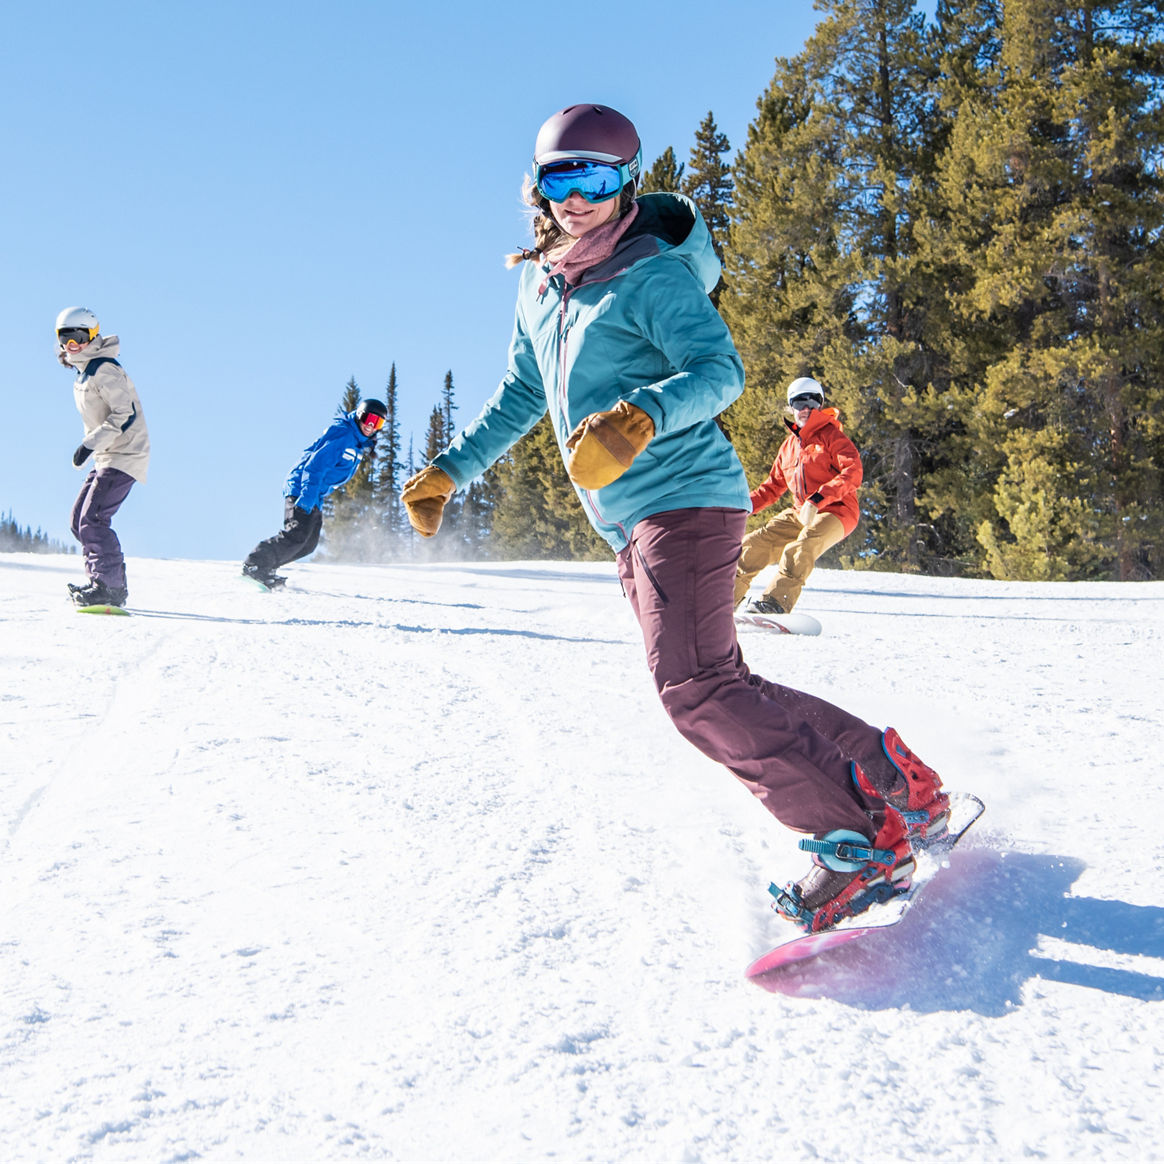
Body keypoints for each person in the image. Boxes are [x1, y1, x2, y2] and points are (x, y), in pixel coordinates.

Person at [400, 103, 949, 933]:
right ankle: (890, 774)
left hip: (683, 496)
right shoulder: (540, 282)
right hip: (631, 524)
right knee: (722, 685)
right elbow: (523, 393)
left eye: (595, 179)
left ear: (625, 183)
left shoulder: (650, 273)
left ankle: (861, 838)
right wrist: (453, 468)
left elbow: (719, 370)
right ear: (537, 186)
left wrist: (641, 417)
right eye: (560, 179)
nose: (576, 198)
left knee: (692, 691)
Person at [734, 376, 862, 615]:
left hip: (838, 511)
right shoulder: (789, 446)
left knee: (803, 545)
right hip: (800, 511)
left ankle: (775, 603)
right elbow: (771, 488)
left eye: (812, 402)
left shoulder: (832, 437)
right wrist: (738, 508)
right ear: (791, 407)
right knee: (753, 545)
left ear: (820, 406)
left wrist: (819, 498)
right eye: (799, 402)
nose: (805, 408)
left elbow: (853, 471)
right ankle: (721, 600)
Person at [57, 306, 150, 609]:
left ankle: (109, 588)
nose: (73, 345)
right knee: (78, 521)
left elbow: (125, 413)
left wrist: (88, 444)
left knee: (93, 519)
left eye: (79, 337)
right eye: (66, 338)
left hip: (125, 452)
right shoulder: (84, 371)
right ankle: (104, 580)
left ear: (93, 336)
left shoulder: (105, 368)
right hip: (107, 454)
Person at [241, 399, 386, 588]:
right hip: (302, 488)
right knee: (297, 533)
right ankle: (255, 564)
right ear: (359, 415)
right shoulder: (344, 434)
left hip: (314, 493)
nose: (371, 425)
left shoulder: (358, 443)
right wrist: (306, 498)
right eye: (369, 418)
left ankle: (266, 569)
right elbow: (315, 466)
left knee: (308, 544)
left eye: (378, 423)